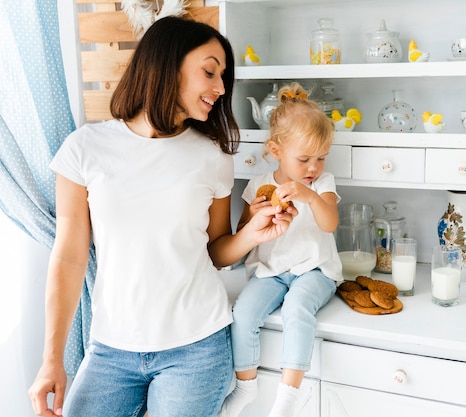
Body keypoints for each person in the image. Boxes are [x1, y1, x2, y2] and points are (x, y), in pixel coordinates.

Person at [28, 16, 296, 417]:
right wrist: (51, 359)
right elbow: (68, 258)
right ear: (167, 64)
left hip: (196, 348)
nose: (221, 88)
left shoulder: (212, 156)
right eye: (209, 71)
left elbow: (215, 251)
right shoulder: (85, 148)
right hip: (110, 349)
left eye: (223, 77)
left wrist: (252, 235)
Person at [219, 82, 343, 417]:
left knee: (297, 309)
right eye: (304, 159)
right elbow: (244, 237)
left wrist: (311, 196)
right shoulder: (259, 185)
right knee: (242, 314)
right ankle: (245, 386)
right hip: (270, 271)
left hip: (314, 270)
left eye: (320, 158)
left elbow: (329, 223)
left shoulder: (322, 184)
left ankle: (288, 396)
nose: (313, 168)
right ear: (276, 150)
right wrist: (255, 212)